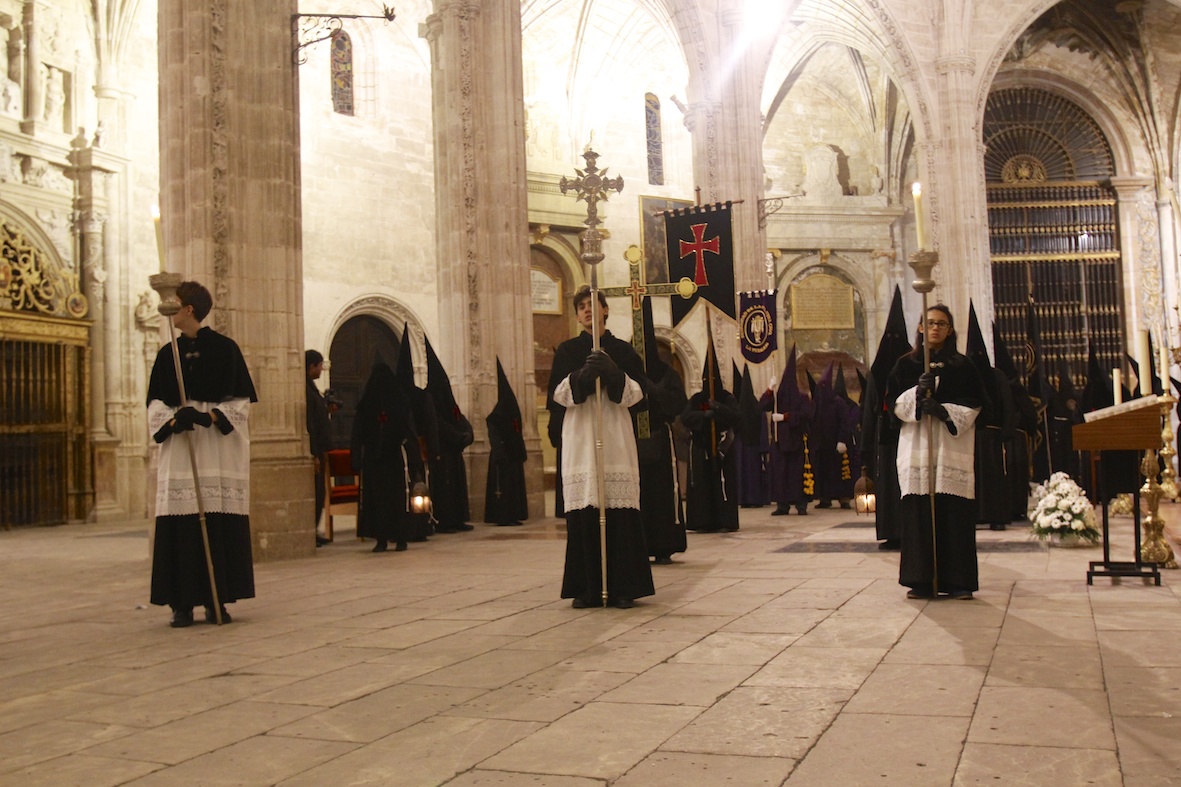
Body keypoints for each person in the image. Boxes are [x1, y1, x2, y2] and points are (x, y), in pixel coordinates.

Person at [148, 280, 257, 628]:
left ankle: (216, 601)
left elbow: (240, 403)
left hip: (216, 450)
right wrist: (174, 419)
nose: (170, 308)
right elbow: (154, 403)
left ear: (189, 309)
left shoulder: (226, 350)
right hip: (182, 450)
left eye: (174, 302)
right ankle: (181, 604)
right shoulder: (168, 354)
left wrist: (208, 417)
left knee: (216, 527)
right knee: (181, 528)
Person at [549, 285, 654, 608]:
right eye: (580, 306)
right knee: (585, 514)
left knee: (619, 516)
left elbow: (639, 396)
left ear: (605, 310)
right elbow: (557, 395)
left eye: (592, 304)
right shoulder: (567, 350)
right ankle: (587, 588)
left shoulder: (622, 350)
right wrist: (581, 376)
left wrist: (613, 373)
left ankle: (623, 587)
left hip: (614, 437)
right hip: (581, 438)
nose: (586, 310)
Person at [888, 304, 984, 600]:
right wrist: (917, 392)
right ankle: (920, 579)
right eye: (930, 323)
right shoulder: (906, 365)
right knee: (919, 513)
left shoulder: (963, 366)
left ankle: (958, 581)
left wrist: (943, 411)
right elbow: (890, 406)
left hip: (950, 448)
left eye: (942, 324)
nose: (935, 328)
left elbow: (977, 404)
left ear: (950, 330)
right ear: (920, 327)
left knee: (953, 513)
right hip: (917, 448)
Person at [637, 298, 687, 564]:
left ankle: (665, 543)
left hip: (661, 438)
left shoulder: (668, 373)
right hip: (633, 440)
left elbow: (678, 403)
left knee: (662, 494)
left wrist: (652, 390)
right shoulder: (630, 373)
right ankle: (641, 543)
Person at [862, 288, 912, 549]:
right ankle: (892, 531)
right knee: (889, 486)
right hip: (886, 436)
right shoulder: (879, 369)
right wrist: (867, 444)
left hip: (908, 433)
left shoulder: (913, 364)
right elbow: (871, 406)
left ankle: (904, 531)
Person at [352, 361, 419, 553]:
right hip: (395, 459)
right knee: (396, 500)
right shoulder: (400, 402)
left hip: (374, 460)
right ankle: (400, 539)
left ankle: (381, 540)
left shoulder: (366, 404)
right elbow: (409, 432)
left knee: (377, 501)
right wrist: (415, 462)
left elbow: (357, 435)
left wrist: (355, 459)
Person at [681, 342, 741, 533]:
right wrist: (703, 416)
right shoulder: (697, 399)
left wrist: (718, 409)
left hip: (722, 447)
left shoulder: (726, 397)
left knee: (722, 484)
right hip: (701, 446)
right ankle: (704, 521)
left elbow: (736, 415)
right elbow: (685, 417)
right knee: (702, 485)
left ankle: (725, 520)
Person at [964, 305, 1012, 531]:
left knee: (991, 478)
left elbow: (1006, 405)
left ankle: (993, 515)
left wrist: (1005, 433)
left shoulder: (997, 377)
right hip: (971, 436)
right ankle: (978, 516)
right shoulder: (964, 375)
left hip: (989, 436)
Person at [424, 337, 474, 533]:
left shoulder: (447, 398)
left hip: (455, 451)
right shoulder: (430, 397)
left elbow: (459, 417)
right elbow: (437, 423)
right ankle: (445, 521)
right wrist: (457, 437)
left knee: (457, 486)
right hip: (442, 451)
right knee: (445, 487)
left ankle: (458, 519)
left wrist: (468, 433)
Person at [761, 344, 814, 515]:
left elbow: (806, 414)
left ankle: (801, 504)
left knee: (796, 475)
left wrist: (785, 417)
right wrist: (770, 389)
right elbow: (763, 405)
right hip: (779, 443)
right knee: (780, 475)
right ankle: (782, 505)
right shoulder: (777, 397)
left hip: (797, 442)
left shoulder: (802, 398)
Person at [485, 359, 529, 526]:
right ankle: (503, 516)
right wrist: (501, 453)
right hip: (502, 457)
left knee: (513, 487)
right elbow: (494, 433)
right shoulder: (497, 416)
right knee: (504, 488)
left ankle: (513, 514)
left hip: (511, 455)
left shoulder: (507, 412)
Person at [306, 350, 332, 546]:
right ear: (311, 366)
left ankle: (314, 530)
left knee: (320, 491)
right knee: (315, 491)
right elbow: (310, 423)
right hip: (314, 450)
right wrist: (314, 453)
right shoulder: (305, 390)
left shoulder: (311, 388)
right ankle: (310, 532)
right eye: (319, 365)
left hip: (319, 449)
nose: (322, 369)